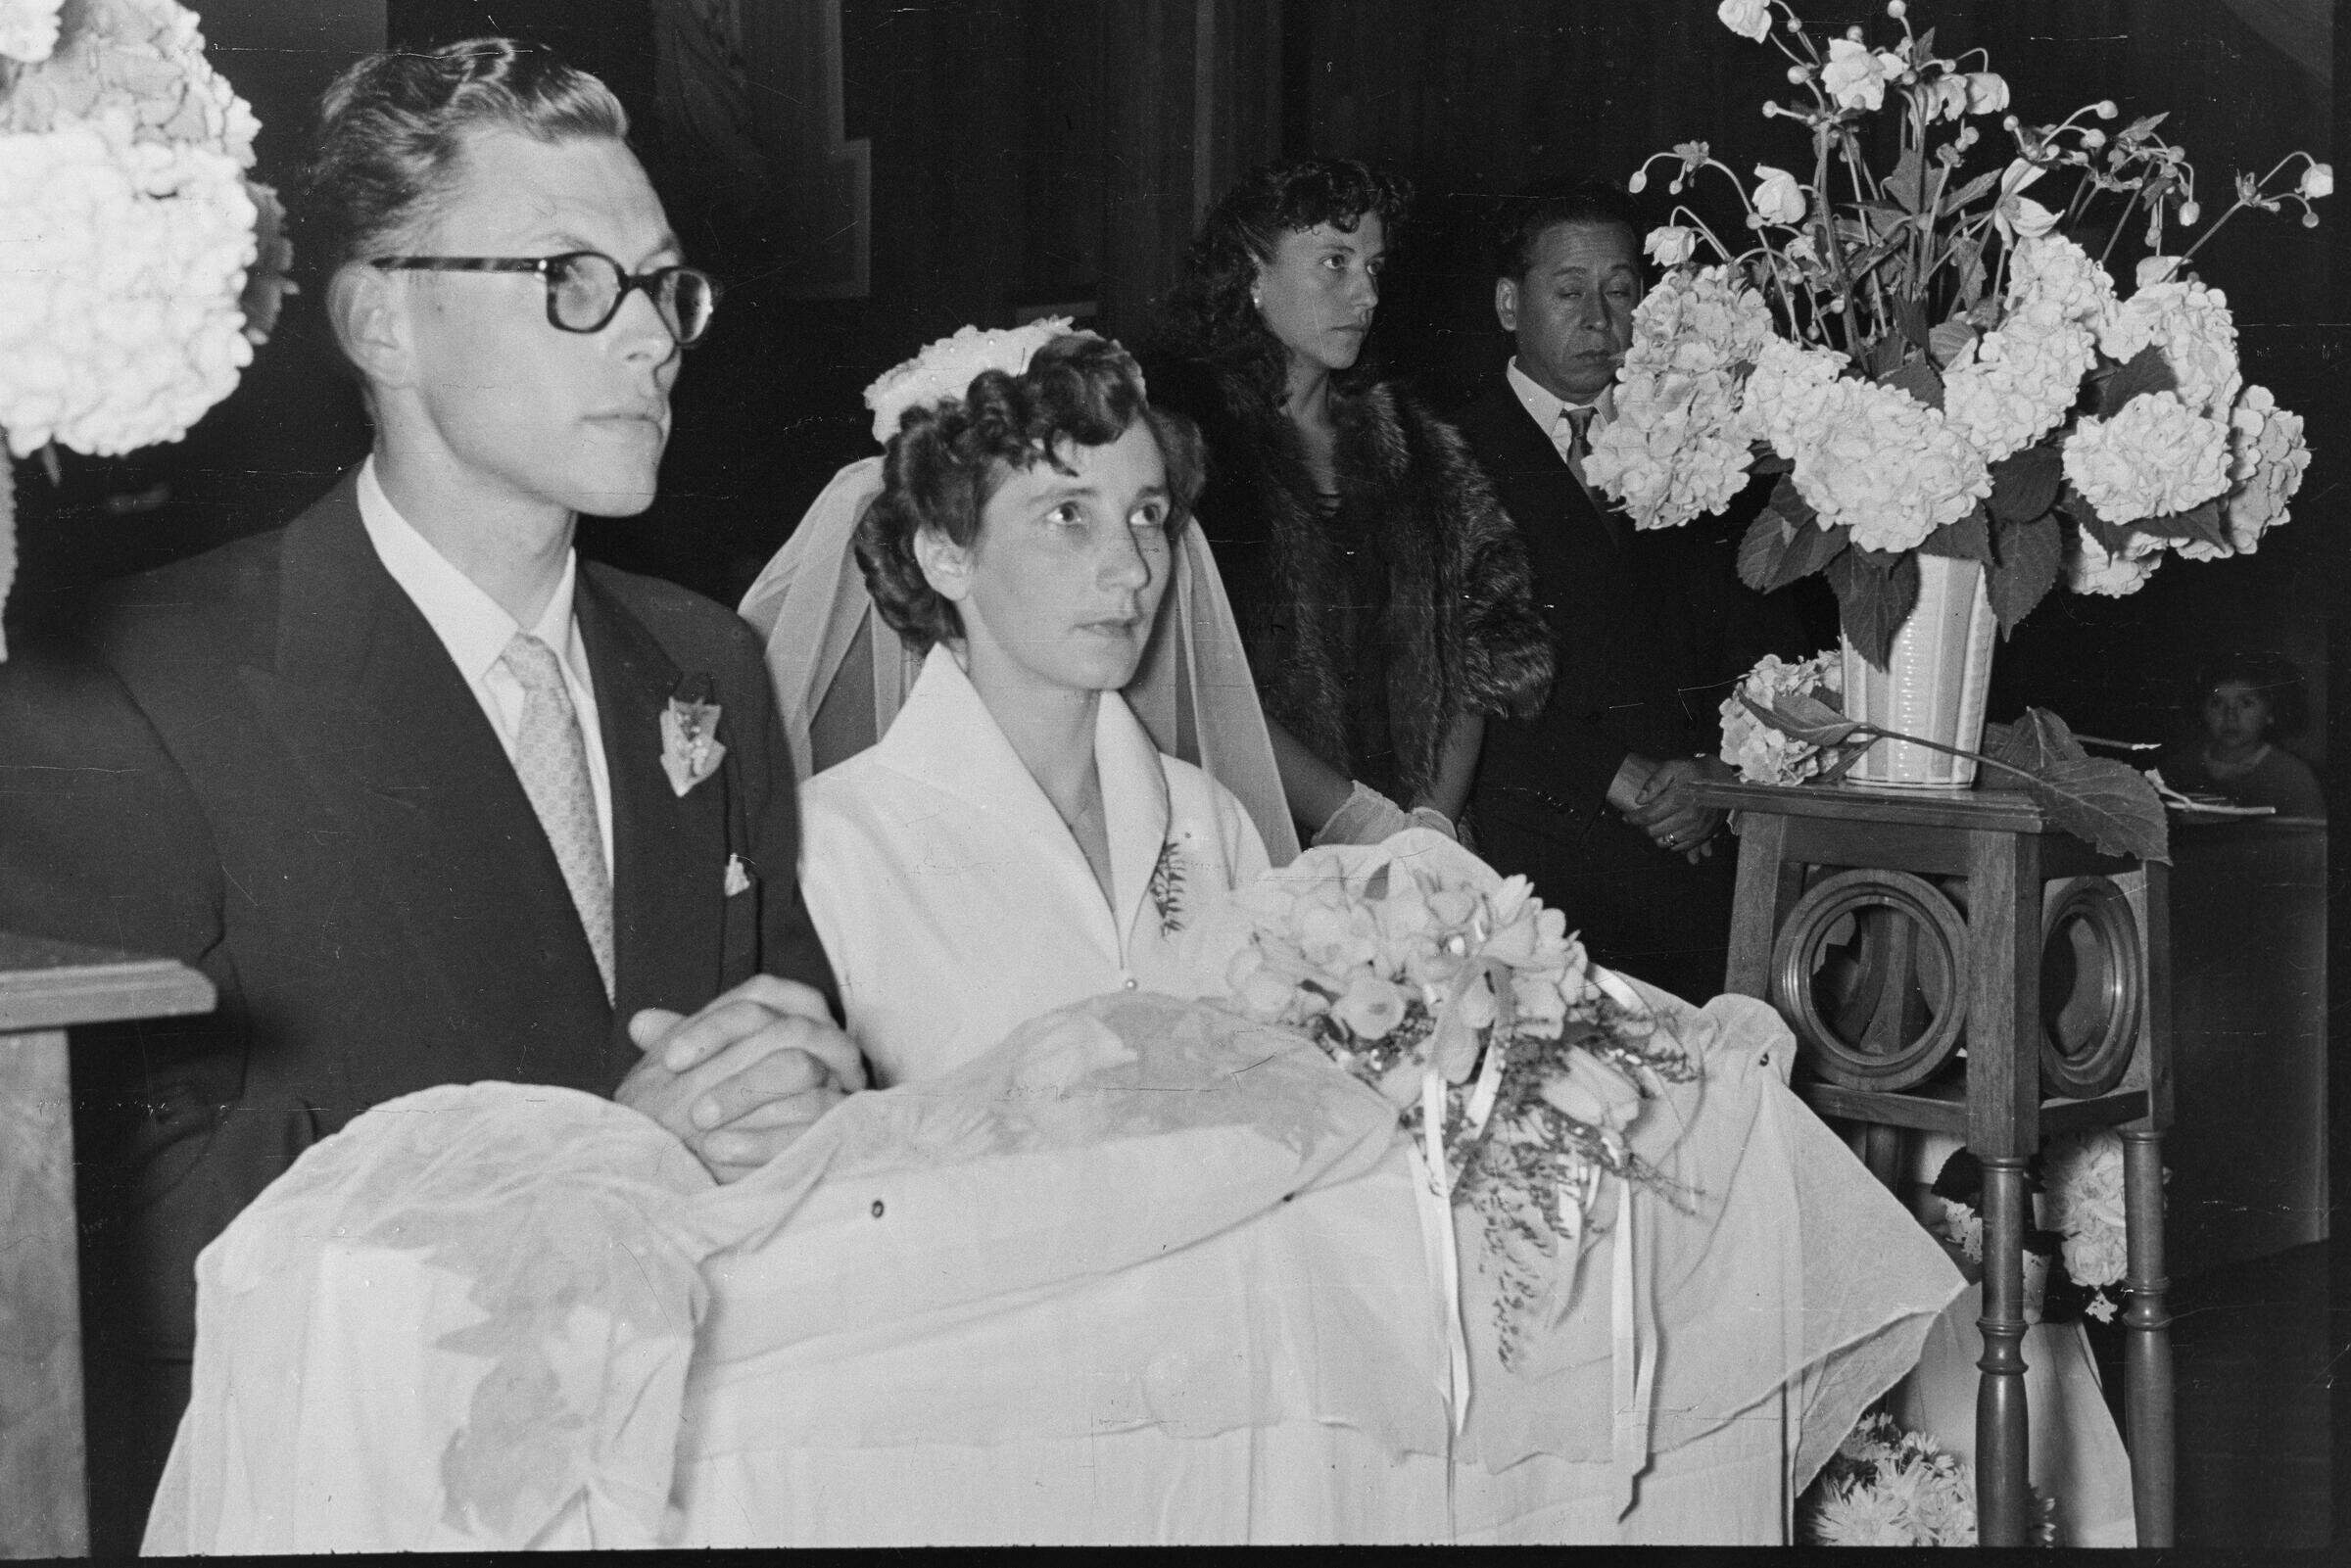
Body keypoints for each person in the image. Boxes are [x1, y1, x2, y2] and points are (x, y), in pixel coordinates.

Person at [146, 324, 1962, 1549]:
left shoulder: (1213, 820)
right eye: (1064, 518)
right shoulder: (835, 845)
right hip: (982, 1419)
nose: (1128, 567)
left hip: (1239, 1387)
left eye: (1152, 519)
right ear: (939, 555)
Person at [0, 39, 855, 1548]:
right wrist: (597, 1159)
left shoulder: (704, 664)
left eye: (666, 288)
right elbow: (92, 1225)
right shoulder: (132, 682)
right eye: (573, 280)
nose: (651, 339)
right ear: (379, 316)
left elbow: (779, 1057)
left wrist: (811, 1092)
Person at [1454, 178, 1805, 1002]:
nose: (1600, 319)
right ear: (1510, 303)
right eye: (1569, 291)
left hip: (1699, 849)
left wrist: (1718, 774)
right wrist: (1615, 774)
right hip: (1534, 856)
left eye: (1621, 291)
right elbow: (1449, 676)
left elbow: (1768, 644)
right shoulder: (1447, 450)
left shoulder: (1705, 441)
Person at [1144, 157, 1555, 847]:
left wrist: (1425, 824)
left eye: (1374, 267)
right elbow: (1186, 674)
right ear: (1251, 272)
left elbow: (1483, 649)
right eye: (1335, 262)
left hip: (1416, 847)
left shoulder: (1419, 447)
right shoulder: (1182, 444)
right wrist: (1350, 817)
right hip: (1240, 836)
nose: (1366, 295)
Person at [2159, 651, 2326, 817]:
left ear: (2269, 713)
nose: (2230, 717)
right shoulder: (2178, 769)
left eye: (2246, 703)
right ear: (2202, 711)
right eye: (2217, 703)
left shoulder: (2292, 776)